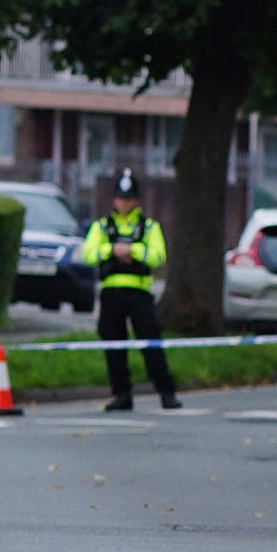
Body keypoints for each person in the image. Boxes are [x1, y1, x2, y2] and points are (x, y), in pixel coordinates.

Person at [81, 169, 181, 412]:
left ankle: (166, 392)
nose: (124, 203)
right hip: (111, 293)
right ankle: (121, 394)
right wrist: (111, 251)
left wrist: (132, 251)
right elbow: (88, 255)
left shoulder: (148, 227)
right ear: (113, 200)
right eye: (120, 198)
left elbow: (158, 256)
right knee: (113, 345)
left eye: (128, 198)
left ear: (136, 200)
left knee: (151, 343)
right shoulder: (102, 227)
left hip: (139, 293)